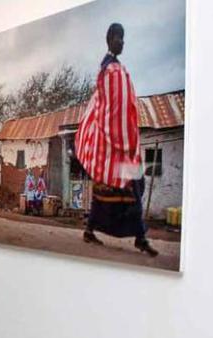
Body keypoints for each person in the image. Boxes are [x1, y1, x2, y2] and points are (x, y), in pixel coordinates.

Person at [75, 23, 158, 256]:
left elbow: (117, 105)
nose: (122, 42)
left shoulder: (112, 68)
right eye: (119, 38)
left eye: (124, 38)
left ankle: (95, 230)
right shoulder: (111, 70)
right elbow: (113, 109)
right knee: (129, 186)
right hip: (114, 144)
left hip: (113, 144)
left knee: (112, 190)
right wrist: (125, 139)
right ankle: (139, 237)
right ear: (110, 39)